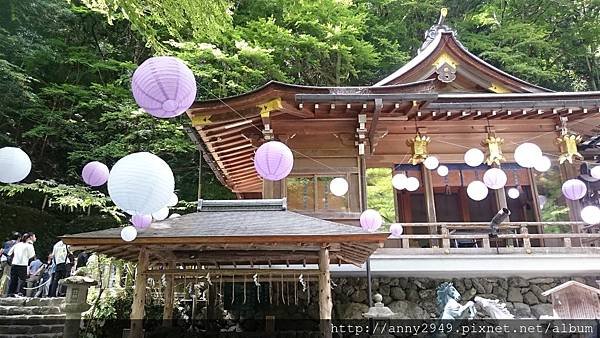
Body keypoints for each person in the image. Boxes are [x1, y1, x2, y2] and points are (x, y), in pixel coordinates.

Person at [7, 233, 36, 297]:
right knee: (22, 280)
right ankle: (20, 293)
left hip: (14, 263)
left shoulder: (17, 245)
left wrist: (10, 262)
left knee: (13, 279)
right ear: (29, 238)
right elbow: (32, 256)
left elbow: (9, 253)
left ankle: (10, 292)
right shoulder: (29, 245)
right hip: (23, 264)